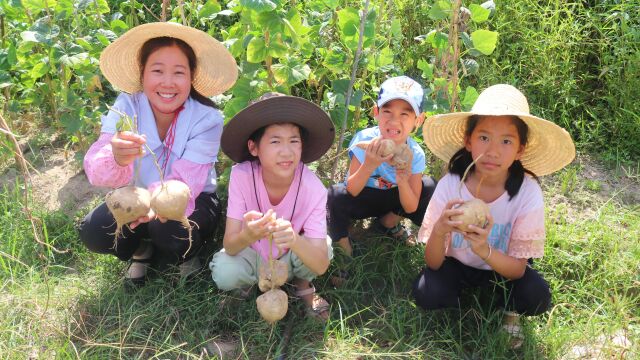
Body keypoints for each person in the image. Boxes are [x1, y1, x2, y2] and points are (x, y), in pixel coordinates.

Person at [413, 84, 575, 348]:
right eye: (484, 138)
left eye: (506, 141)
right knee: (426, 291)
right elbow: (433, 263)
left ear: (520, 149)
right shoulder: (451, 184)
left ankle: (507, 310)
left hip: (503, 270)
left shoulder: (527, 192)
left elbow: (518, 268)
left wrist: (483, 249)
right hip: (457, 265)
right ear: (469, 141)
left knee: (536, 295)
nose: (493, 151)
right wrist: (441, 230)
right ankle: (463, 303)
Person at [78, 22, 237, 286]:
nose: (167, 82)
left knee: (171, 230)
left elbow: (187, 182)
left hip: (191, 200)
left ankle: (187, 254)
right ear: (142, 75)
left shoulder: (208, 118)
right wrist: (116, 156)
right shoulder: (127, 106)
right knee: (95, 232)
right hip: (135, 199)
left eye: (178, 72)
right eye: (157, 71)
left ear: (191, 77)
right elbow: (96, 168)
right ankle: (141, 251)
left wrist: (153, 210)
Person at [210, 92, 335, 321]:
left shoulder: (313, 188)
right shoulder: (241, 176)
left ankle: (302, 284)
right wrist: (249, 234)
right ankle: (251, 282)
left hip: (291, 257)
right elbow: (230, 246)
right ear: (254, 147)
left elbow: (321, 265)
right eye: (275, 141)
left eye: (294, 141)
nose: (286, 151)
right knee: (224, 271)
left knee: (323, 247)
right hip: (254, 254)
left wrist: (295, 240)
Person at [327, 76, 437, 258]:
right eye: (387, 112)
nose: (394, 121)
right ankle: (344, 250)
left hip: (394, 199)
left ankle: (387, 223)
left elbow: (410, 207)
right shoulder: (365, 140)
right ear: (376, 112)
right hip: (363, 198)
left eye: (405, 114)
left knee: (430, 186)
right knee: (334, 195)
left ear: (418, 120)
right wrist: (369, 164)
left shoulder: (415, 154)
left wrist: (402, 180)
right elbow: (352, 190)